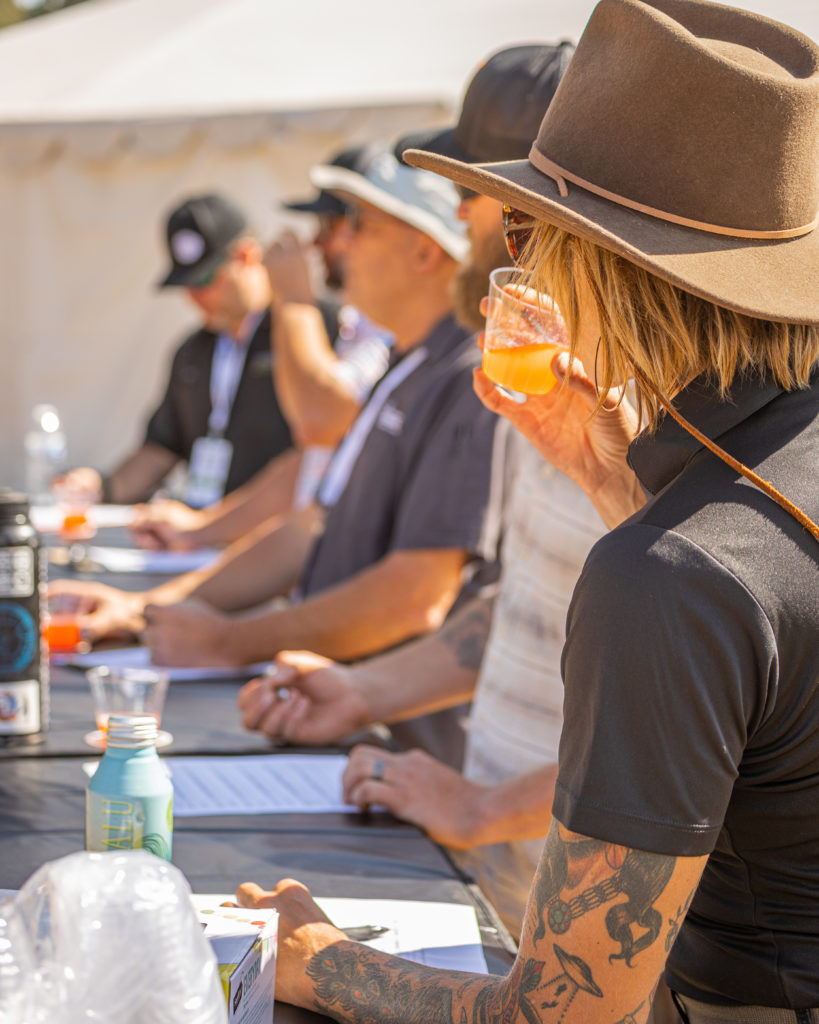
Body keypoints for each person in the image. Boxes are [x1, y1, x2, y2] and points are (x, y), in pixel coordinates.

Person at [235, 1, 819, 1019]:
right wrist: (611, 486)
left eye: (524, 228)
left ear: (599, 259)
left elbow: (560, 1013)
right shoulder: (746, 489)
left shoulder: (674, 572)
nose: (513, 269)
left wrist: (310, 958)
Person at [237, 41, 594, 938]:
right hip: (507, 867)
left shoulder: (646, 409)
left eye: (475, 191)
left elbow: (689, 731)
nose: (459, 210)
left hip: (593, 911)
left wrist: (486, 806)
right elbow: (512, 610)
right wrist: (367, 693)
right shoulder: (528, 372)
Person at [50, 151, 508, 684]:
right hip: (340, 716)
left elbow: (414, 595)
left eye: (353, 225)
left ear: (425, 252)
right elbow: (312, 528)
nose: (329, 244)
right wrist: (145, 611)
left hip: (391, 744)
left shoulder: (467, 374)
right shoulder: (407, 366)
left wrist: (231, 642)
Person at [129, 148, 392, 552]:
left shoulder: (318, 318)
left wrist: (294, 302)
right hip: (280, 549)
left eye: (335, 224)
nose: (315, 242)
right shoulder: (194, 349)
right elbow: (309, 458)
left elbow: (317, 423)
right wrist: (198, 528)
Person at [58, 193, 302, 507]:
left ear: (244, 256)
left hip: (273, 535)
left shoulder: (302, 329)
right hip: (199, 534)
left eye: (204, 278)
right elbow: (161, 448)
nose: (194, 297)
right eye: (185, 283)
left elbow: (316, 453)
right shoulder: (192, 351)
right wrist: (101, 487)